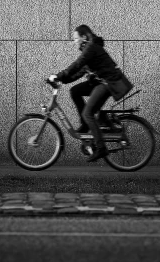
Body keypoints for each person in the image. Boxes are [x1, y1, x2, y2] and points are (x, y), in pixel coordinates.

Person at [49, 24, 133, 162]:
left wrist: (59, 75)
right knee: (75, 90)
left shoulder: (91, 47)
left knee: (88, 113)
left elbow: (77, 64)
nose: (74, 41)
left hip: (107, 83)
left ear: (83, 37)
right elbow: (80, 71)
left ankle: (101, 149)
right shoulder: (89, 48)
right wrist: (63, 79)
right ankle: (86, 124)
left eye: (76, 38)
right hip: (100, 82)